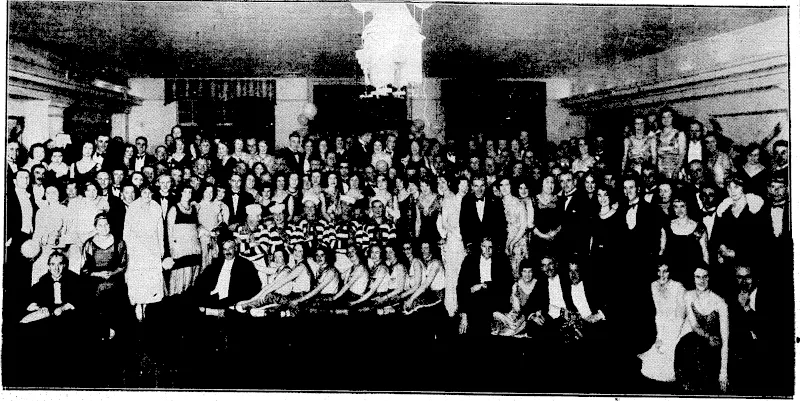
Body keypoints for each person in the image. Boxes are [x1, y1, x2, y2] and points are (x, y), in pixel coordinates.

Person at [675, 265, 729, 394]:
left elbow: (725, 340)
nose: (702, 280)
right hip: (696, 345)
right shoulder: (688, 296)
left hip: (713, 349)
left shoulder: (720, 303)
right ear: (693, 279)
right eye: (698, 277)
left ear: (710, 278)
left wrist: (723, 373)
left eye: (705, 277)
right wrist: (707, 337)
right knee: (685, 345)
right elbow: (694, 325)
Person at [81, 213, 128, 341]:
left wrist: (112, 273)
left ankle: (114, 331)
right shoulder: (89, 244)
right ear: (95, 227)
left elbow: (123, 265)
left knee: (115, 294)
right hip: (95, 282)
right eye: (100, 225)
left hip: (115, 279)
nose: (104, 227)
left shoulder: (119, 242)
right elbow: (84, 270)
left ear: (110, 225)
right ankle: (101, 333)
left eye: (106, 224)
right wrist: (99, 274)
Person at [640, 262, 687, 383]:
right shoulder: (653, 286)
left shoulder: (678, 287)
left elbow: (680, 317)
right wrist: (659, 336)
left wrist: (668, 339)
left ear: (671, 272)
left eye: (665, 271)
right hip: (662, 327)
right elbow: (658, 314)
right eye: (659, 271)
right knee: (651, 364)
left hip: (678, 327)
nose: (662, 275)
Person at [123, 185, 165, 321]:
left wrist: (161, 248)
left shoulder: (156, 207)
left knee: (150, 277)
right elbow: (127, 230)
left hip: (152, 247)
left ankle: (147, 304)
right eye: (144, 193)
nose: (147, 195)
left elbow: (160, 230)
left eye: (149, 193)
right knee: (137, 278)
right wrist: (127, 249)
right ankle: (138, 305)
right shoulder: (133, 207)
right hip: (136, 248)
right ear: (140, 193)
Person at [457, 237, 513, 336]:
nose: (487, 250)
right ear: (480, 246)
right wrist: (464, 315)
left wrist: (484, 285)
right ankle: (495, 316)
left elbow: (506, 284)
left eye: (490, 247)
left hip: (494, 296)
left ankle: (495, 316)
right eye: (484, 246)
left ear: (494, 248)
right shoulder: (469, 260)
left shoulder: (501, 260)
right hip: (475, 299)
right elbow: (461, 287)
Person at [660, 195, 709, 287]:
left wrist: (705, 273)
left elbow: (705, 252)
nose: (679, 210)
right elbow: (662, 250)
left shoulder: (699, 227)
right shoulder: (666, 226)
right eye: (676, 207)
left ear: (688, 206)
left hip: (693, 273)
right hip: (672, 272)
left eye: (682, 206)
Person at [437, 176, 468, 317]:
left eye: (467, 185)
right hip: (453, 241)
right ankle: (450, 309)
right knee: (451, 274)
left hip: (465, 243)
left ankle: (463, 308)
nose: (464, 188)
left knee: (463, 274)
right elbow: (444, 222)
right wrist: (457, 233)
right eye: (462, 185)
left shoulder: (469, 201)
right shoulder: (449, 200)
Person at [165, 185, 203, 296]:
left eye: (190, 192)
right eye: (185, 191)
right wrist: (173, 249)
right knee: (180, 279)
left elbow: (197, 226)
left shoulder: (194, 209)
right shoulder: (174, 209)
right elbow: (169, 231)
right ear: (180, 193)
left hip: (194, 248)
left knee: (192, 278)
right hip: (181, 249)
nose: (188, 194)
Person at [459, 176, 507, 254]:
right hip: (474, 245)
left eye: (482, 186)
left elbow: (501, 224)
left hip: (492, 246)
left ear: (486, 186)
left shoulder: (495, 200)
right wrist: (468, 243)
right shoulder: (466, 200)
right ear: (472, 187)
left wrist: (498, 245)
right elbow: (463, 224)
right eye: (476, 186)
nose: (479, 189)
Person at [30, 185, 67, 286]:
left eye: (54, 192)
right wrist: (34, 249)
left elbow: (66, 231)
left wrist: (59, 242)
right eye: (48, 193)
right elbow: (37, 233)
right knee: (37, 266)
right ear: (45, 195)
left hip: (59, 247)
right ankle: (36, 297)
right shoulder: (40, 211)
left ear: (59, 194)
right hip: (44, 247)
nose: (51, 195)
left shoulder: (64, 209)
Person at [492, 262, 537, 337]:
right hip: (517, 314)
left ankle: (515, 330)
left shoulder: (537, 284)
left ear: (533, 272)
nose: (527, 275)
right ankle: (512, 327)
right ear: (521, 272)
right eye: (524, 271)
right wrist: (513, 317)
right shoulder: (517, 285)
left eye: (530, 272)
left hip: (528, 316)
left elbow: (535, 306)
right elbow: (516, 307)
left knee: (517, 326)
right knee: (496, 315)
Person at [499, 177, 528, 280]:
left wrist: (513, 242)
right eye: (501, 185)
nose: (504, 188)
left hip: (518, 242)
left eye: (507, 185)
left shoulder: (518, 202)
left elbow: (523, 225)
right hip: (503, 243)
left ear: (511, 186)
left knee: (518, 274)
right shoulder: (497, 202)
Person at [532, 175, 561, 255]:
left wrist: (555, 232)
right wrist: (543, 236)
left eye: (552, 182)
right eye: (547, 182)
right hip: (537, 239)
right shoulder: (533, 199)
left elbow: (563, 220)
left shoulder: (559, 200)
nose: (550, 185)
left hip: (555, 239)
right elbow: (530, 223)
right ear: (541, 184)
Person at [655, 108, 686, 179]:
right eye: (664, 117)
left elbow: (682, 154)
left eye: (669, 117)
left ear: (673, 118)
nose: (666, 119)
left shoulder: (679, 134)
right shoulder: (657, 135)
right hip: (660, 171)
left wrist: (677, 170)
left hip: (675, 170)